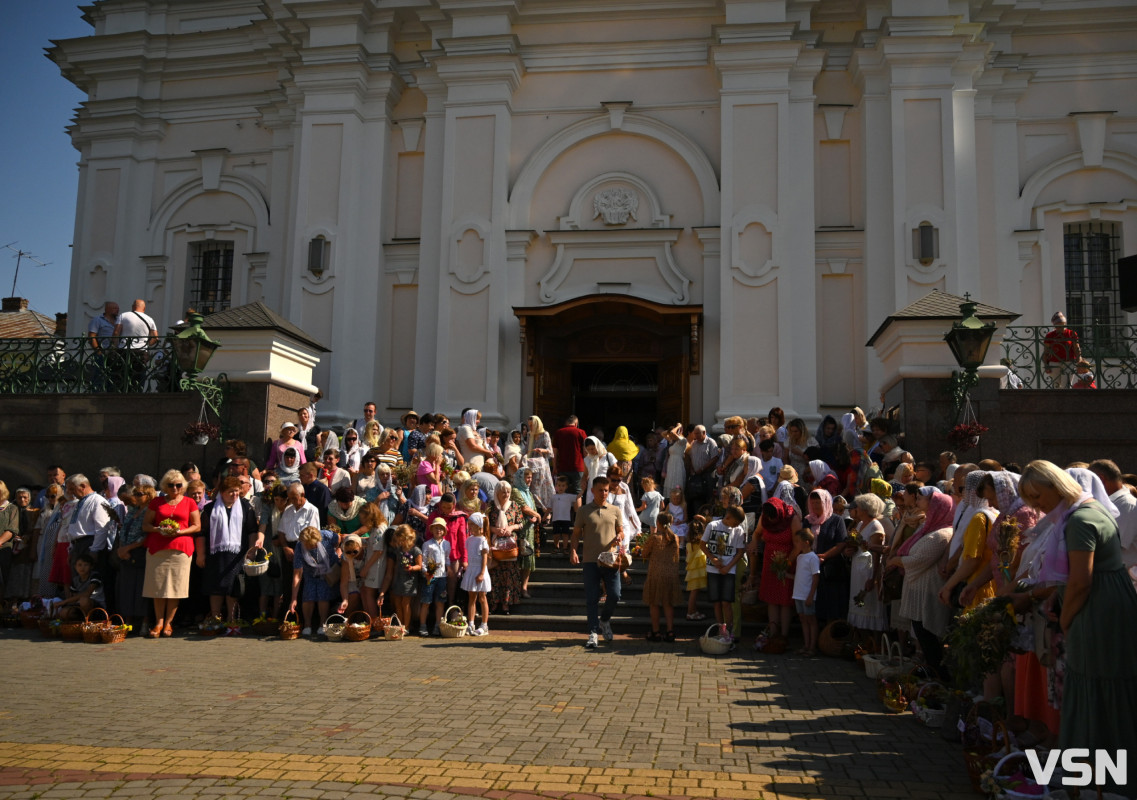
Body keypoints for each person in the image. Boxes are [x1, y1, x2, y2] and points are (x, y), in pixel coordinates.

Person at [1012, 460, 1137, 782]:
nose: (1036, 505)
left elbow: (1081, 581)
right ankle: (1098, 773)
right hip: (1104, 602)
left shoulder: (1079, 519)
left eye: (1037, 496)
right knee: (1100, 690)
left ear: (1056, 486)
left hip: (1097, 609)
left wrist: (1066, 618)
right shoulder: (1087, 509)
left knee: (1093, 689)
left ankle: (1099, 777)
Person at [886, 489, 954, 679]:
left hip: (928, 593)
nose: (920, 503)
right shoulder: (928, 528)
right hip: (919, 590)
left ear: (938, 508)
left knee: (930, 640)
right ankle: (933, 677)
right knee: (924, 637)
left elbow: (917, 560)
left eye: (927, 502)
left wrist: (895, 561)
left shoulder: (942, 534)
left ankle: (939, 680)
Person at [142, 470, 201, 638]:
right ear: (164, 486)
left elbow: (196, 526)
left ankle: (169, 622)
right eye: (171, 485)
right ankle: (158, 622)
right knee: (157, 588)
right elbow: (146, 525)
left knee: (175, 587)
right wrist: (159, 529)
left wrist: (180, 531)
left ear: (183, 486)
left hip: (180, 549)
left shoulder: (189, 502)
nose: (175, 488)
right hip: (157, 549)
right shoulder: (157, 502)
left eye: (178, 485)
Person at [196, 476, 259, 624]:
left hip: (237, 556)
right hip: (215, 555)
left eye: (237, 491)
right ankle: (215, 619)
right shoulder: (210, 508)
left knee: (233, 587)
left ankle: (232, 620)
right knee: (215, 587)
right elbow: (202, 533)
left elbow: (251, 531)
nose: (235, 495)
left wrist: (251, 552)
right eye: (231, 492)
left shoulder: (245, 507)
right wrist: (200, 554)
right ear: (222, 492)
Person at [571, 476, 624, 649]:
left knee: (615, 594)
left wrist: (620, 536)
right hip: (590, 561)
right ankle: (593, 632)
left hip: (610, 560)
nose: (604, 493)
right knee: (592, 598)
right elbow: (576, 533)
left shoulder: (615, 510)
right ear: (593, 491)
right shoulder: (584, 511)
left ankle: (605, 620)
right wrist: (573, 550)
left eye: (606, 490)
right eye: (600, 490)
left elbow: (621, 530)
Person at [700, 505, 746, 649]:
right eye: (735, 522)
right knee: (716, 601)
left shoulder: (738, 531)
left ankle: (730, 631)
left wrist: (728, 566)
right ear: (728, 517)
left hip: (729, 570)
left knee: (727, 601)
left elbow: (739, 552)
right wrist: (713, 559)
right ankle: (721, 630)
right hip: (713, 569)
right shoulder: (712, 525)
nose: (736, 526)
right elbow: (703, 545)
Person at [1089, 459, 1137, 584]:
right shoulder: (1116, 504)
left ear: (1101, 479)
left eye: (1090, 484)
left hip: (1124, 583)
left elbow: (1111, 547)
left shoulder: (1126, 505)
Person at [846, 494, 888, 633]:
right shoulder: (859, 524)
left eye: (858, 506)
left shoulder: (875, 527)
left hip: (868, 569)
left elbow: (876, 554)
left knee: (868, 603)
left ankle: (870, 641)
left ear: (865, 508)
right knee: (857, 602)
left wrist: (873, 578)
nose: (856, 508)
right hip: (857, 567)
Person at [807, 489, 850, 625]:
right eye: (812, 503)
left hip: (830, 570)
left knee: (831, 605)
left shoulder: (836, 520)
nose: (815, 506)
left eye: (818, 502)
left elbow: (841, 543)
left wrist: (825, 555)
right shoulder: (808, 521)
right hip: (811, 568)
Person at [289, 525, 339, 637]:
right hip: (310, 573)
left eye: (313, 545)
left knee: (323, 596)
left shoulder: (327, 535)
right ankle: (307, 625)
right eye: (308, 546)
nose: (311, 547)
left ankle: (322, 624)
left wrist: (338, 550)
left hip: (328, 571)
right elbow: (297, 574)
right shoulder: (299, 546)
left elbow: (338, 539)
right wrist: (293, 599)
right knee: (308, 596)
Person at [642, 510, 681, 642]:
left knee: (654, 603)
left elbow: (644, 553)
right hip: (670, 575)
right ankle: (670, 631)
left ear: (658, 523)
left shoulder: (654, 538)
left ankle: (656, 631)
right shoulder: (675, 538)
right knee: (668, 603)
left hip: (656, 574)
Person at [487, 481, 524, 615]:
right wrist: (495, 530)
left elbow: (520, 523)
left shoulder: (514, 505)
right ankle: (494, 603)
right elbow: (486, 524)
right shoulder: (491, 506)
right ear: (497, 492)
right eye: (503, 491)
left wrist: (511, 527)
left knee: (508, 574)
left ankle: (506, 604)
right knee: (495, 574)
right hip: (495, 545)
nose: (506, 494)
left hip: (510, 545)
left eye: (508, 491)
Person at [426, 492, 468, 607]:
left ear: (454, 505)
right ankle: (435, 609)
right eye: (443, 507)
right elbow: (428, 536)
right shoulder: (434, 515)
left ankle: (450, 606)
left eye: (449, 507)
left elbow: (462, 540)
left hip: (453, 557)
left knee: (451, 583)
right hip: (436, 556)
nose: (446, 510)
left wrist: (464, 559)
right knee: (435, 582)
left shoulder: (459, 518)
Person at [382, 524, 421, 632]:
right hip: (398, 579)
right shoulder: (398, 550)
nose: (399, 541)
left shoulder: (415, 550)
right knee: (398, 603)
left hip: (409, 580)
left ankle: (407, 626)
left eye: (401, 539)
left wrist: (412, 568)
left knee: (406, 603)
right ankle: (401, 625)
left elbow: (420, 566)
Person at [112, 299, 158, 390]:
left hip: (124, 351)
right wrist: (146, 345)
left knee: (121, 378)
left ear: (133, 307)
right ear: (144, 308)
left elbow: (116, 332)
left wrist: (114, 347)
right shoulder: (149, 319)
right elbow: (155, 337)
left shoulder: (123, 315)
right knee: (138, 379)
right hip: (141, 353)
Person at [356, 502, 390, 621]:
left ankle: (374, 622)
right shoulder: (377, 527)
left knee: (369, 593)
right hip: (372, 564)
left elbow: (378, 551)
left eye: (363, 518)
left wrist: (366, 568)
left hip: (376, 566)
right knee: (364, 590)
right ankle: (369, 620)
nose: (362, 521)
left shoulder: (379, 529)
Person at [418, 518, 450, 636]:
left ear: (444, 531)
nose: (438, 530)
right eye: (436, 527)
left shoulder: (447, 544)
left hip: (442, 576)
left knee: (440, 602)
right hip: (430, 577)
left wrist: (449, 568)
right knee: (426, 601)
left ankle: (438, 625)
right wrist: (426, 573)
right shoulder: (427, 544)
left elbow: (447, 559)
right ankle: (422, 625)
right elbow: (424, 561)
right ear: (431, 529)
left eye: (441, 528)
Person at [791, 528, 820, 656]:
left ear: (806, 542)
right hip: (798, 594)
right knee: (803, 619)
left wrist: (810, 595)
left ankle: (812, 647)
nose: (796, 544)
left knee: (811, 620)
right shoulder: (800, 557)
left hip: (807, 595)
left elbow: (815, 578)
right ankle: (806, 644)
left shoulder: (812, 558)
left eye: (798, 541)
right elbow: (799, 575)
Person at [461, 512, 491, 635]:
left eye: (472, 525)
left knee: (482, 597)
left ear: (479, 526)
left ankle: (484, 625)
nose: (470, 528)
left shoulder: (483, 540)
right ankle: (471, 623)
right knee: (471, 598)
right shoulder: (469, 540)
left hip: (480, 570)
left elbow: (485, 558)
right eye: (469, 525)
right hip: (471, 569)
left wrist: (482, 573)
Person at [1043, 311, 1081, 389]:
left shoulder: (1071, 333)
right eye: (1058, 326)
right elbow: (1046, 351)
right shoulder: (1050, 335)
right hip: (1054, 362)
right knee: (1056, 385)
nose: (1061, 328)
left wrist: (1079, 360)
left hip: (1069, 361)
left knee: (1067, 385)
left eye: (1063, 326)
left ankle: (1067, 400)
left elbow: (1076, 348)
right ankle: (1056, 401)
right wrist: (1046, 365)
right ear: (1054, 326)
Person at [524, 415, 556, 508]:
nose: (530, 427)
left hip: (542, 464)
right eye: (529, 425)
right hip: (531, 464)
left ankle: (545, 509)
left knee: (541, 487)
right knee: (532, 487)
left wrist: (542, 450)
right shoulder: (530, 434)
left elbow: (550, 451)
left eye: (532, 425)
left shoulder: (544, 434)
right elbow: (526, 449)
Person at [553, 415, 588, 495]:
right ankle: (578, 508)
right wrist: (587, 468)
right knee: (578, 492)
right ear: (576, 423)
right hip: (578, 467)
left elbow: (555, 451)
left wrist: (555, 467)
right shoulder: (581, 432)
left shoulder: (559, 432)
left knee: (562, 491)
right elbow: (585, 452)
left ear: (566, 423)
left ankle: (563, 508)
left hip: (563, 467)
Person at [550, 475, 579, 556]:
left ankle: (565, 548)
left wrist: (582, 489)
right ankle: (556, 547)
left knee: (565, 534)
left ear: (566, 487)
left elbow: (578, 497)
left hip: (566, 519)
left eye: (563, 486)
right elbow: (549, 507)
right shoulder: (553, 497)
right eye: (559, 485)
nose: (561, 487)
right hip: (555, 519)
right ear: (556, 486)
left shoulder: (569, 496)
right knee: (556, 534)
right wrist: (545, 516)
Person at [661, 423, 689, 499]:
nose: (670, 435)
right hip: (671, 464)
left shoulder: (682, 441)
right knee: (670, 483)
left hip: (678, 464)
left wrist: (679, 426)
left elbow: (673, 432)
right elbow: (663, 434)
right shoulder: (672, 442)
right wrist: (671, 430)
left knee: (677, 483)